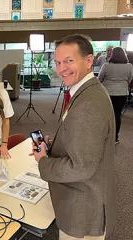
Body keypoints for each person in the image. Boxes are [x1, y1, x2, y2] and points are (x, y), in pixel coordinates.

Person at [31, 34, 116, 240]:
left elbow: (80, 167)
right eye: (58, 62)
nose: (61, 69)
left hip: (83, 213)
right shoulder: (85, 91)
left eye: (69, 61)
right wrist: (56, 145)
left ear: (88, 60)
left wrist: (43, 161)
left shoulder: (88, 103)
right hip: (86, 201)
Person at [98, 46, 133, 144]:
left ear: (112, 55)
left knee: (106, 115)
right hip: (122, 93)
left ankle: (104, 136)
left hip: (107, 93)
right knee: (117, 114)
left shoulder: (106, 65)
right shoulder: (129, 66)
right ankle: (115, 138)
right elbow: (129, 79)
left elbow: (99, 79)